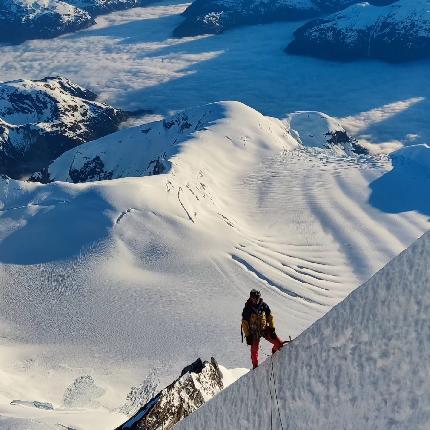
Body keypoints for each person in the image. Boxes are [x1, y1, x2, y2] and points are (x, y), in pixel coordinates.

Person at [241, 289, 283, 369]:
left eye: (257, 298)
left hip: (264, 329)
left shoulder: (264, 306)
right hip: (254, 332)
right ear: (251, 298)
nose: (256, 300)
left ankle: (275, 351)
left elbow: (269, 317)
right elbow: (244, 323)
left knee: (278, 343)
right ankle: (255, 367)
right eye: (254, 298)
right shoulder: (247, 309)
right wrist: (248, 335)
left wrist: (272, 328)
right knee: (254, 350)